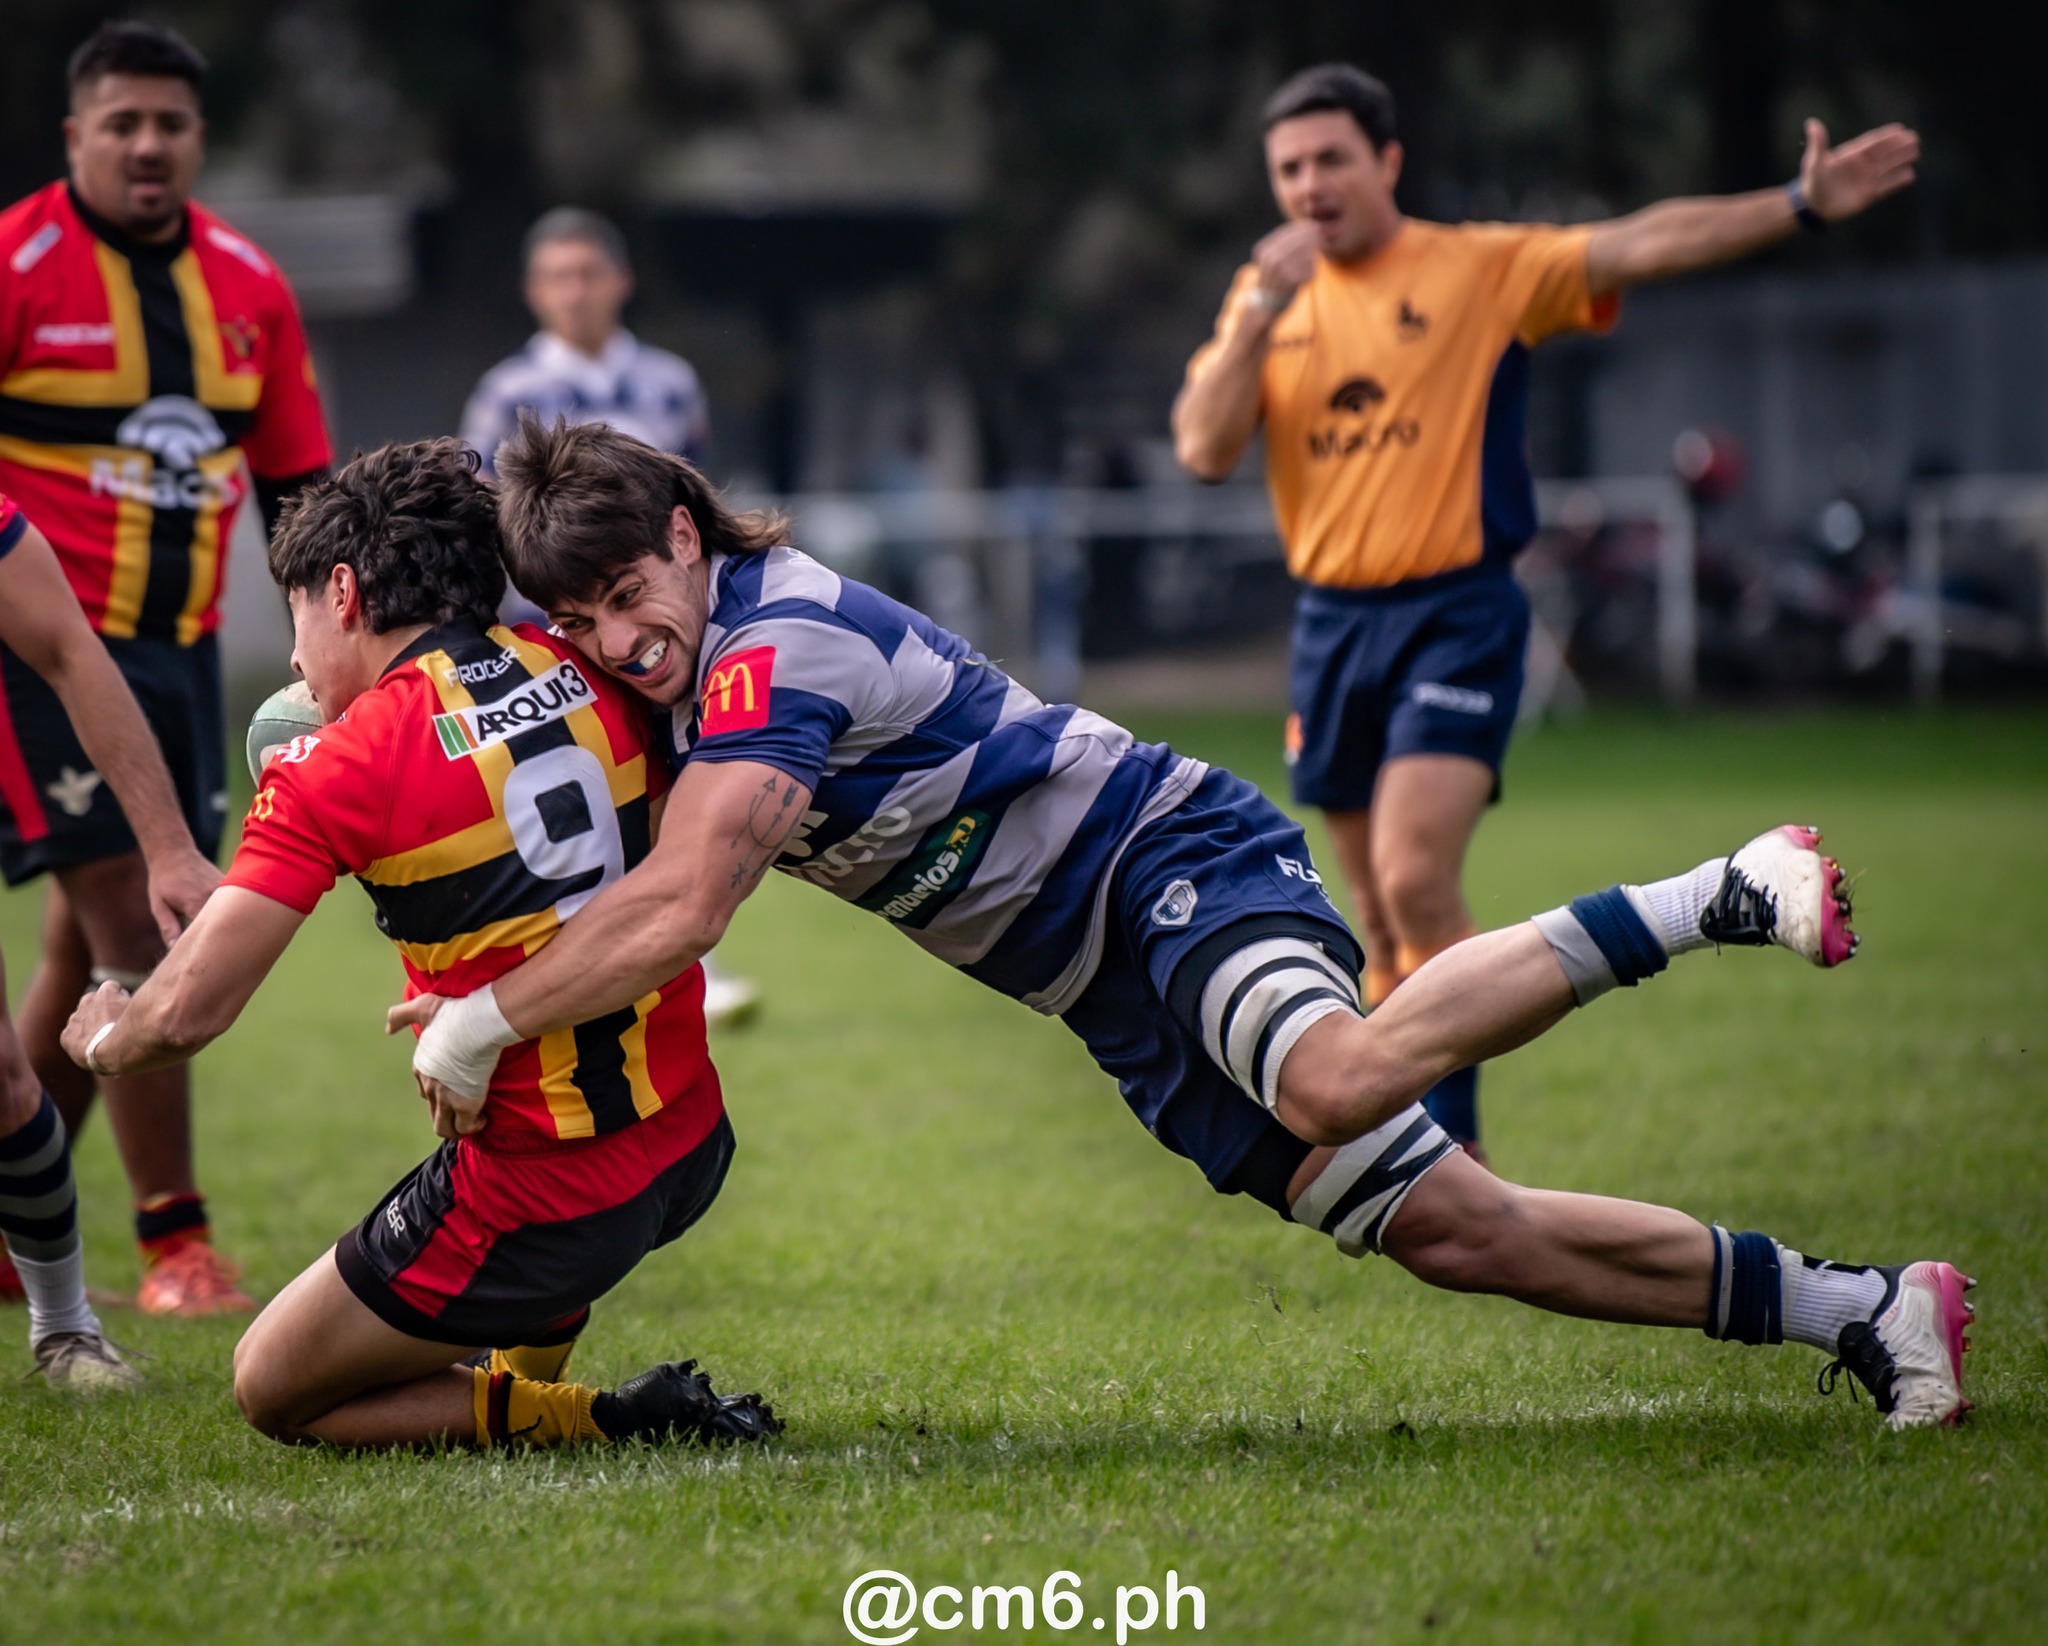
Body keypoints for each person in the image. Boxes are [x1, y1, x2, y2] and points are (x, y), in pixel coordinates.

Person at [397, 419, 1971, 1432]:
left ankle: (1723, 887)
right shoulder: (668, 662)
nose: (621, 639)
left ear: (684, 528)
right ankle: (1865, 1307)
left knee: (1332, 1078)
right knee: (1459, 1230)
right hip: (1104, 983)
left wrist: (487, 1014)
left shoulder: (769, 643)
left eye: (628, 591)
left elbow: (684, 901)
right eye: (584, 617)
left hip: (1161, 857)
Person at [1171, 65, 1920, 1159]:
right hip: (1329, 628)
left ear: (1385, 161)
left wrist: (1798, 204)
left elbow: (1637, 242)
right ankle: (1423, 1145)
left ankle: (1453, 1161)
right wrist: (1249, 314)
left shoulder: (1474, 267)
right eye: (1287, 168)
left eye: (1331, 158)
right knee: (1374, 912)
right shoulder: (1266, 306)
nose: (1308, 184)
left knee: (1417, 874)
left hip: (1454, 609)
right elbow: (1199, 447)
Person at [59, 441, 777, 1451]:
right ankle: (531, 1348)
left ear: (342, 591)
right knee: (503, 1255)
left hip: (549, 1193)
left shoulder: (343, 760)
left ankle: (617, 1420)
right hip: (692, 1138)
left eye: (296, 612)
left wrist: (106, 1038)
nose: (299, 660)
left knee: (270, 1382)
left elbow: (187, 1007)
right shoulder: (586, 660)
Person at [0, 20, 332, 1314]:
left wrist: (330, 651)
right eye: (121, 122)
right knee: (140, 916)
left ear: (198, 141)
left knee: (78, 940)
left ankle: (10, 1218)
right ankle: (172, 1239)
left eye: (171, 124)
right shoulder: (18, 263)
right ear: (75, 133)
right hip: (34, 653)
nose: (148, 145)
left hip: (180, 659)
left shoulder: (248, 284)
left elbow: (304, 499)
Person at [459, 206, 756, 1031]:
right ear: (533, 291)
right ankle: (573, 965)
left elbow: (694, 493)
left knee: (675, 777)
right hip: (559, 637)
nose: (575, 291)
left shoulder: (668, 381)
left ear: (620, 281)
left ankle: (687, 956)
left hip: (661, 623)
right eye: (557, 276)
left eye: (588, 272)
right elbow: (483, 520)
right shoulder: (508, 393)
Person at [0, 494, 219, 1389]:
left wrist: (167, 848)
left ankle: (64, 1330)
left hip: (167, 647)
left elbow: (65, 647)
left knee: (2, 1082)